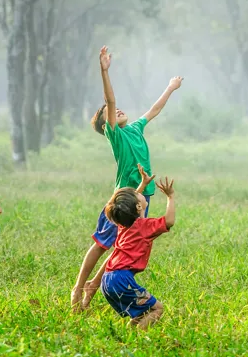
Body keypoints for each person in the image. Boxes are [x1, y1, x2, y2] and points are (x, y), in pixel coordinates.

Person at [71, 45, 183, 311]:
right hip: (123, 198)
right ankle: (78, 289)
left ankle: (93, 289)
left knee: (124, 246)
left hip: (142, 197)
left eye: (118, 109)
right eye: (109, 113)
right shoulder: (116, 135)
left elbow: (154, 110)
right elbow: (110, 101)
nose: (117, 109)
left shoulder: (134, 128)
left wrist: (170, 87)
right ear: (105, 124)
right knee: (101, 244)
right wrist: (104, 70)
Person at [101, 172, 176, 328]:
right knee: (157, 309)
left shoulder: (124, 224)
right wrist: (170, 197)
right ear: (138, 206)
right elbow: (169, 221)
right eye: (138, 195)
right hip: (121, 280)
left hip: (107, 279)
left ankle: (129, 336)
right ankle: (137, 339)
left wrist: (142, 185)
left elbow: (130, 204)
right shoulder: (144, 227)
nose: (139, 193)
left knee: (142, 312)